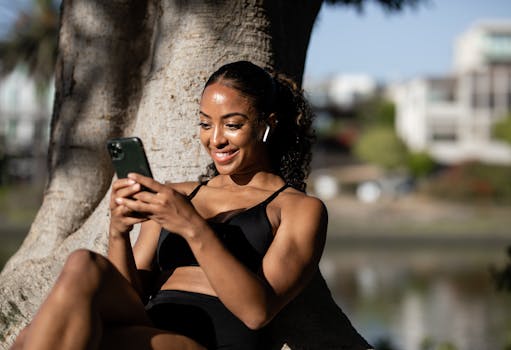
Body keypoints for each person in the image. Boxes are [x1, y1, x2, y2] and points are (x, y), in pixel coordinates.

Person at [10, 60, 370, 350]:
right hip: (151, 325)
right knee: (82, 264)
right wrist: (118, 231)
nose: (215, 139)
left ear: (267, 125)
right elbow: (132, 295)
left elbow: (257, 312)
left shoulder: (297, 209)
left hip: (213, 340)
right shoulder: (177, 194)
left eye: (233, 124)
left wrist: (191, 225)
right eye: (205, 124)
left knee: (42, 339)